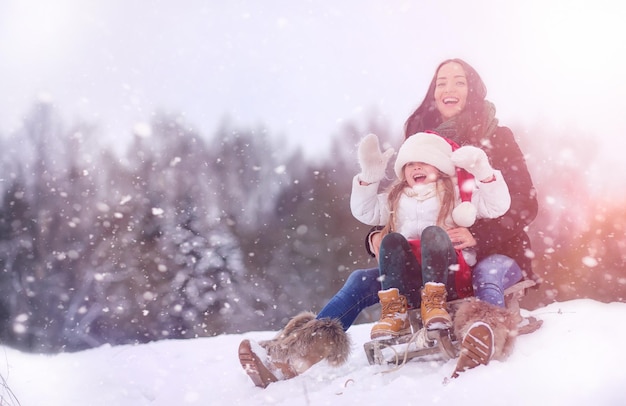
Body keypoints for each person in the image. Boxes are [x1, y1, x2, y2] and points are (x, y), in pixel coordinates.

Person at [238, 58, 538, 387]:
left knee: (487, 274)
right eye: (441, 82)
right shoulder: (419, 142)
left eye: (459, 81)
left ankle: (484, 339)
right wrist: (376, 237)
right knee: (360, 282)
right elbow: (398, 203)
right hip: (428, 262)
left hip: (490, 251)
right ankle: (291, 357)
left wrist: (475, 233)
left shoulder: (497, 138)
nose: (448, 89)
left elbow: (525, 204)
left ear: (474, 91)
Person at [350, 131, 511, 339]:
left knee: (433, 234)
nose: (416, 167)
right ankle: (394, 311)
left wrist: (484, 173)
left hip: (449, 275)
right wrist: (368, 179)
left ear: (439, 166)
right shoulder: (395, 198)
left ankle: (435, 300)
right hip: (412, 279)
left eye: (423, 161)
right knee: (391, 240)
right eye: (409, 164)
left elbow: (496, 206)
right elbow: (365, 211)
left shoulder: (454, 194)